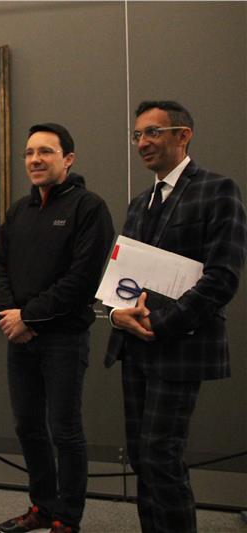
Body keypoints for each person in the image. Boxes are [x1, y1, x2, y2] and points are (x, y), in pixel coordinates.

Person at [105, 101, 247, 533]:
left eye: (153, 132)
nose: (142, 143)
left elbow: (222, 278)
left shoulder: (217, 190)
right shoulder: (138, 204)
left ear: (183, 135)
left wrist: (161, 324)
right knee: (141, 456)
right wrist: (116, 316)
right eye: (137, 135)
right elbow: (119, 283)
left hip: (180, 346)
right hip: (135, 347)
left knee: (160, 456)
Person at [0, 123, 114, 533]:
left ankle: (67, 517)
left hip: (63, 338)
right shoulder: (18, 211)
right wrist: (11, 315)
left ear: (68, 159)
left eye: (45, 151)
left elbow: (82, 280)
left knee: (65, 430)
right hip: (19, 338)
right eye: (29, 153)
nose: (35, 159)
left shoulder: (89, 208)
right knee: (28, 427)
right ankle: (42, 507)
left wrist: (27, 317)